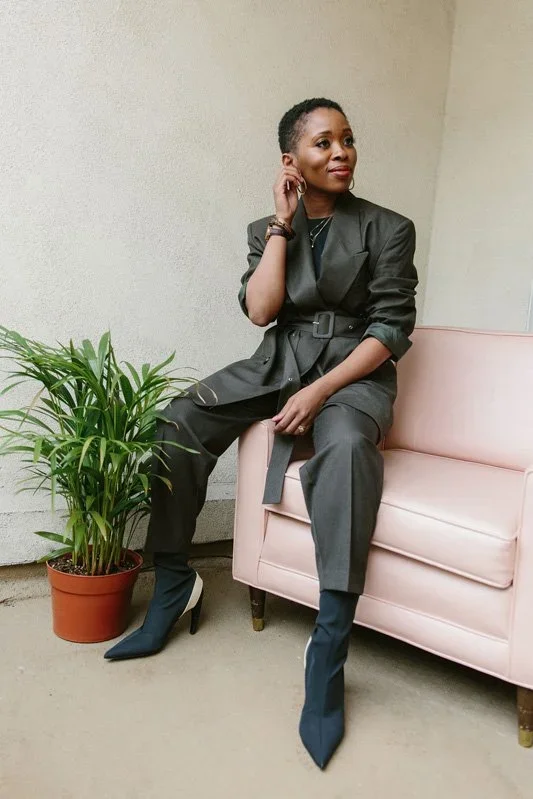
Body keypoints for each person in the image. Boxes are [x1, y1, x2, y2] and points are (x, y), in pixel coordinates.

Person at [105, 98, 418, 769]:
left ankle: (328, 646)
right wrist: (281, 223)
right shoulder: (267, 228)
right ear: (290, 159)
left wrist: (321, 391)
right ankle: (172, 584)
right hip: (278, 363)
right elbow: (261, 311)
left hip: (354, 374)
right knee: (178, 421)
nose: (341, 152)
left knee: (345, 448)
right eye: (322, 142)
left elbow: (391, 330)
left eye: (347, 139)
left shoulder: (388, 228)